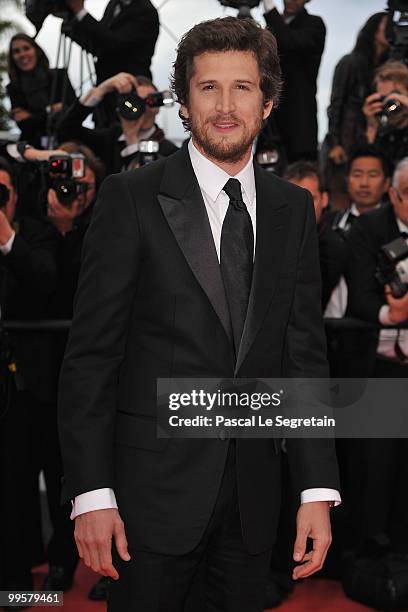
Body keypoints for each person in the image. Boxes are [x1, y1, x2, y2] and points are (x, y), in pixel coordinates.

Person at [58, 17, 340, 612]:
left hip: (253, 506)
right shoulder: (130, 199)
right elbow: (91, 358)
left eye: (242, 87)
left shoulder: (292, 209)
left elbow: (303, 356)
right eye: (208, 88)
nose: (225, 106)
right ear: (183, 103)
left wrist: (316, 487)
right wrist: (91, 492)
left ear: (268, 102)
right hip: (146, 504)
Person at [344, 158, 408, 556]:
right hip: (381, 366)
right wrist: (392, 315)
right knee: (376, 467)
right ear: (393, 195)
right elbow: (358, 299)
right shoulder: (369, 229)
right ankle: (371, 552)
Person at [323, 12, 389, 209]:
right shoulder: (349, 62)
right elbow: (335, 104)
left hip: (375, 140)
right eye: (386, 25)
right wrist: (336, 143)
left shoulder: (387, 69)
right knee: (342, 200)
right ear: (374, 30)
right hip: (346, 142)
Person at [57, 72, 178, 176]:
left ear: (158, 108)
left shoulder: (170, 152)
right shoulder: (111, 138)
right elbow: (66, 132)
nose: (142, 108)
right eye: (134, 102)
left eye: (149, 101)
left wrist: (131, 139)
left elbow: (147, 183)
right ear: (121, 108)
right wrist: (102, 89)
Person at [62, 0, 160, 125]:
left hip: (130, 92)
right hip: (105, 96)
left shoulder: (145, 11)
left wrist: (80, 11)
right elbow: (99, 45)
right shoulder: (114, 4)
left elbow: (114, 44)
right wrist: (72, 18)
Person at [262, 0, 326, 163]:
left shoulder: (314, 24)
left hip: (299, 121)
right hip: (270, 120)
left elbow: (289, 42)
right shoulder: (273, 25)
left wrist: (268, 6)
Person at [285, 161, 347, 311]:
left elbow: (311, 300)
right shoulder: (269, 236)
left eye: (310, 199)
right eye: (294, 198)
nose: (302, 206)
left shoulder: (332, 246)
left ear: (324, 199)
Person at [6, 34, 76, 148]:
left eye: (26, 48)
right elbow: (25, 125)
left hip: (67, 142)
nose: (22, 54)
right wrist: (51, 110)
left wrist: (32, 115)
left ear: (36, 51)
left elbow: (72, 112)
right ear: (12, 57)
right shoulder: (13, 88)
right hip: (32, 147)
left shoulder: (59, 76)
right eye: (16, 51)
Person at [362, 60, 408, 172]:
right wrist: (371, 127)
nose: (390, 103)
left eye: (396, 95)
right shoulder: (382, 136)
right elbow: (369, 171)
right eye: (384, 98)